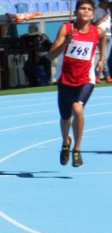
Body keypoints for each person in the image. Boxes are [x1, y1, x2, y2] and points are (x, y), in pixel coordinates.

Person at [48, 0, 104, 167]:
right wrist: (66, 42)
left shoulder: (96, 31)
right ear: (76, 12)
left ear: (93, 14)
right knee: (65, 118)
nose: (85, 11)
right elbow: (51, 56)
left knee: (77, 108)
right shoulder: (66, 29)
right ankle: (66, 142)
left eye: (89, 9)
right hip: (65, 79)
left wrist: (101, 58)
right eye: (82, 8)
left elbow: (102, 39)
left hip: (86, 79)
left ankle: (77, 150)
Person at [93, 0, 111, 82]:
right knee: (104, 56)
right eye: (105, 2)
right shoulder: (96, 10)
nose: (107, 4)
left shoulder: (107, 10)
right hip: (101, 34)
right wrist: (103, 18)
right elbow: (94, 24)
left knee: (105, 57)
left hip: (109, 34)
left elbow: (109, 22)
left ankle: (97, 74)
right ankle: (106, 75)